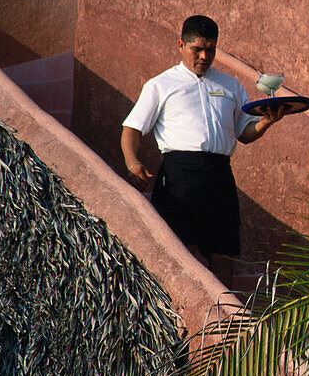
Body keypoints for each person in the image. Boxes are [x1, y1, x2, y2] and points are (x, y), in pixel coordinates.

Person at [120, 15, 285, 287]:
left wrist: (266, 122)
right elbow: (132, 129)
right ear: (181, 45)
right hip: (178, 175)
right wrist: (132, 162)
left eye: (210, 49)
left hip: (220, 174)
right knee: (180, 251)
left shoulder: (230, 85)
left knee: (223, 251)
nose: (204, 56)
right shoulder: (161, 85)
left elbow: (244, 133)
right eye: (197, 49)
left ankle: (225, 316)